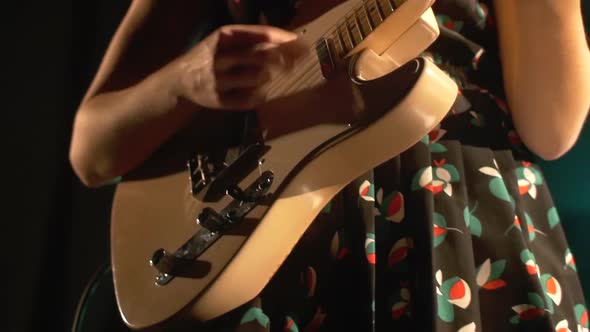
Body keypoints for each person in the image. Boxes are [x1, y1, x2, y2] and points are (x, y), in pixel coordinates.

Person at [69, 0, 590, 331]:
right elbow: (91, 150)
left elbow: (552, 129)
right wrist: (186, 78)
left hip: (457, 226)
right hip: (276, 227)